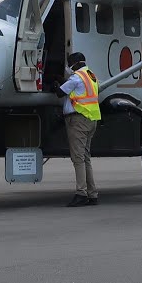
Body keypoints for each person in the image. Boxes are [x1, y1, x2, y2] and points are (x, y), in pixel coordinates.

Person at [54, 51, 101, 207]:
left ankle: (81, 193)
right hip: (91, 119)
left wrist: (56, 83)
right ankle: (92, 194)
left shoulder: (76, 78)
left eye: (69, 64)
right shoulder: (91, 76)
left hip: (78, 120)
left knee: (78, 158)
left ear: (73, 64)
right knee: (86, 157)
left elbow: (60, 93)